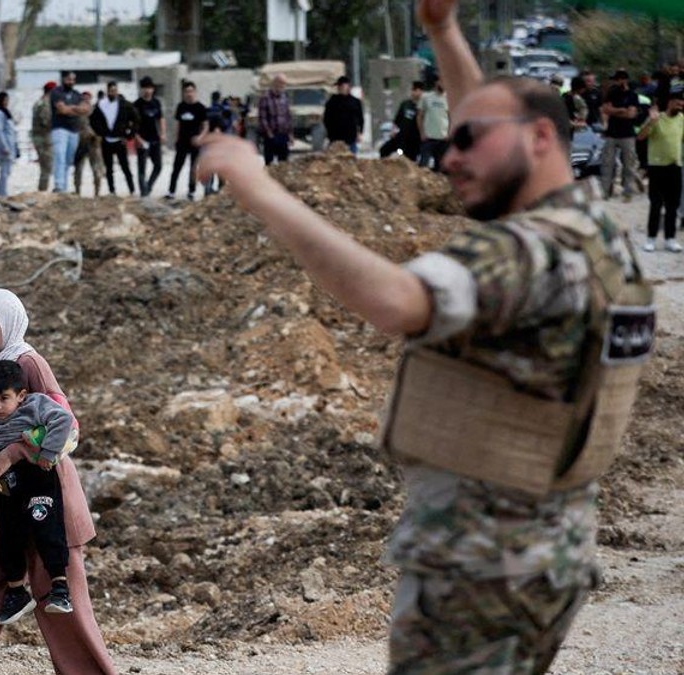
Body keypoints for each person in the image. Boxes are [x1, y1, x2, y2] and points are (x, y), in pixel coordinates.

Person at [197, 0, 654, 671]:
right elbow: (497, 122)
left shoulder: (522, 254)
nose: (451, 156)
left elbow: (395, 301)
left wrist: (261, 190)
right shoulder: (594, 231)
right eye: (452, 138)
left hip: (480, 565)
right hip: (542, 550)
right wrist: (444, 33)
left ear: (541, 139)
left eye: (469, 141)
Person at [0, 288, 116, 675]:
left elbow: (67, 426)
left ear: (10, 322)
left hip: (43, 492)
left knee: (59, 603)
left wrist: (15, 452)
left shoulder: (28, 363)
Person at [0, 359, 77, 624]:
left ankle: (60, 589)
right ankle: (17, 591)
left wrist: (48, 452)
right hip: (5, 484)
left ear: (21, 395)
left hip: (38, 477)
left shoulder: (35, 405)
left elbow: (64, 420)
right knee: (9, 536)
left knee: (47, 528)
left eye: (4, 399)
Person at [638, 93, 684, 252]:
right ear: (670, 102)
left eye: (682, 104)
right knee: (656, 204)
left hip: (675, 167)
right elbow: (641, 136)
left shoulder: (682, 119)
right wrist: (651, 121)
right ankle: (650, 239)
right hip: (657, 167)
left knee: (673, 205)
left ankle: (670, 239)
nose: (681, 105)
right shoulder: (657, 117)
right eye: (678, 103)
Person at [601, 69, 641, 201]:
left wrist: (615, 111)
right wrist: (621, 110)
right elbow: (606, 109)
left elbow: (631, 114)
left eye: (618, 79)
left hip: (627, 134)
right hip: (612, 133)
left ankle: (627, 192)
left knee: (629, 164)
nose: (616, 82)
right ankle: (605, 191)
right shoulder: (611, 93)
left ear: (624, 80)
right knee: (607, 164)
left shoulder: (633, 95)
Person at [94, 81, 139, 195]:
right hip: (106, 141)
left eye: (114, 91)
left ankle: (132, 189)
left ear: (117, 91)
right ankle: (112, 191)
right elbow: (94, 121)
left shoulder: (125, 105)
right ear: (107, 91)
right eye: (110, 91)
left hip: (120, 140)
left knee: (125, 167)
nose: (112, 93)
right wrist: (101, 133)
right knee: (109, 168)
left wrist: (129, 135)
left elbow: (136, 119)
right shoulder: (101, 105)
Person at [167, 80, 208, 201]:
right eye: (186, 91)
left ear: (195, 92)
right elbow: (178, 124)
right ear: (183, 93)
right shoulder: (181, 107)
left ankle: (191, 191)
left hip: (195, 142)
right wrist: (176, 138)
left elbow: (205, 126)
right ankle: (171, 191)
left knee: (193, 169)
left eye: (191, 91)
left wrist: (200, 137)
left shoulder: (200, 107)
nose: (189, 94)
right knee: (176, 167)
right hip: (182, 142)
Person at [50, 71, 90, 193]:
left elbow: (85, 109)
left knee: (68, 160)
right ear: (63, 79)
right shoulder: (56, 92)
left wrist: (71, 108)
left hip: (74, 130)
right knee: (60, 156)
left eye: (73, 79)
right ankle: (58, 185)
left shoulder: (77, 94)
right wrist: (75, 109)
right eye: (69, 79)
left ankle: (64, 186)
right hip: (60, 129)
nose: (71, 82)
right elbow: (62, 110)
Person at [133, 76, 166, 196]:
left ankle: (148, 187)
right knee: (142, 168)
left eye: (149, 88)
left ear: (153, 89)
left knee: (158, 166)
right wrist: (138, 139)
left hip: (155, 139)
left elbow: (161, 118)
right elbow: (132, 125)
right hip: (142, 140)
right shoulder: (137, 104)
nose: (147, 90)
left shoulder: (156, 102)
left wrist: (163, 133)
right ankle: (143, 193)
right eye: (144, 88)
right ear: (141, 89)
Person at [381, 81, 423, 161]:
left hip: (414, 139)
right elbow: (397, 119)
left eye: (415, 90)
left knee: (410, 158)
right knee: (384, 150)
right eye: (412, 90)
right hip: (402, 136)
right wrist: (393, 130)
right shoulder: (405, 104)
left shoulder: (422, 106)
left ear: (420, 91)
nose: (412, 92)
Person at [74, 91, 106, 196]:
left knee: (96, 168)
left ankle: (97, 192)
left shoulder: (96, 111)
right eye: (83, 98)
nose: (85, 100)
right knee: (78, 168)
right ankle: (77, 190)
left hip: (94, 142)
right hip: (81, 143)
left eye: (87, 98)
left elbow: (102, 126)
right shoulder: (76, 113)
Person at [322, 75, 365, 154]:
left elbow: (360, 119)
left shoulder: (355, 102)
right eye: (339, 86)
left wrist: (360, 132)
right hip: (335, 138)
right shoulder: (332, 101)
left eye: (342, 86)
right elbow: (326, 119)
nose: (340, 88)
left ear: (348, 86)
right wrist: (329, 133)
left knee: (351, 160)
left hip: (351, 137)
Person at [258, 73, 293, 165]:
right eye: (281, 83)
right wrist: (269, 133)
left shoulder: (285, 97)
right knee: (269, 164)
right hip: (271, 136)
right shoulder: (265, 97)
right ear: (275, 83)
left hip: (283, 135)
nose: (282, 86)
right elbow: (263, 118)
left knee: (284, 164)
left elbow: (287, 116)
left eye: (284, 84)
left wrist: (290, 134)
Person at [417, 76, 450, 169]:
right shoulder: (426, 97)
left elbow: (451, 117)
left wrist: (449, 133)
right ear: (437, 82)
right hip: (429, 137)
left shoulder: (448, 98)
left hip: (443, 138)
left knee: (441, 167)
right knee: (424, 164)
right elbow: (420, 116)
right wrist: (422, 133)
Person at [0, 91, 19, 198]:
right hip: (4, 146)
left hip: (9, 144)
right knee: (5, 170)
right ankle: (1, 192)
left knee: (7, 170)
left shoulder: (5, 112)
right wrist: (4, 146)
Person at [31, 81, 57, 192]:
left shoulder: (39, 102)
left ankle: (43, 189)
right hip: (44, 138)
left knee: (45, 165)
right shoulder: (46, 103)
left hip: (39, 137)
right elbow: (46, 121)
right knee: (46, 166)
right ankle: (42, 190)